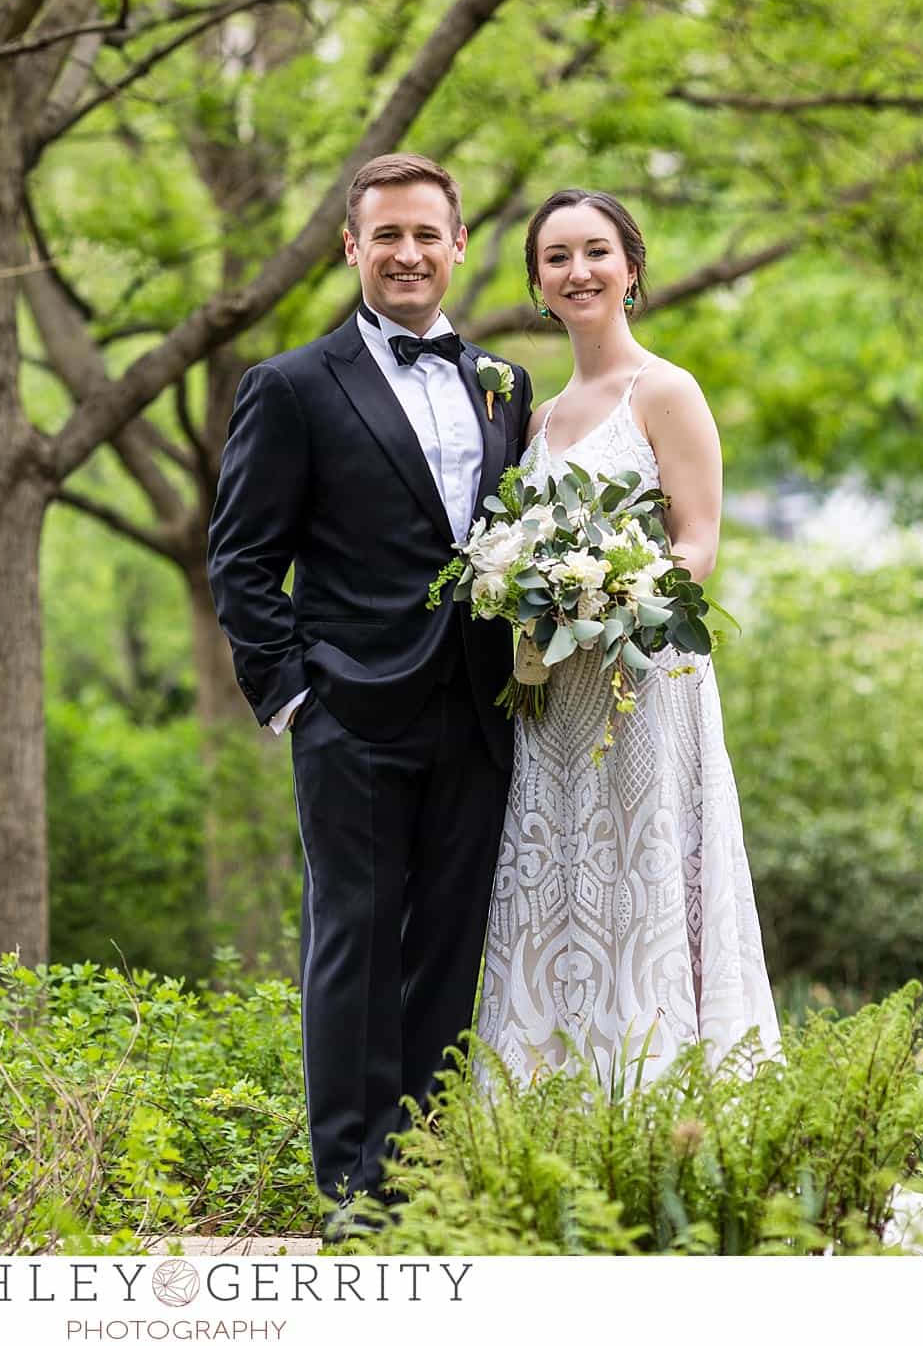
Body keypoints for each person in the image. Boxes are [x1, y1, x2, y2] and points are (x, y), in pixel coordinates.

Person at [206, 153, 532, 1231]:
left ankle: (422, 1169)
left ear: (456, 247)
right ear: (351, 247)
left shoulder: (503, 384)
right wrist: (293, 696)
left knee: (447, 944)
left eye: (425, 235)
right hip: (349, 710)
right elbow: (242, 560)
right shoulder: (291, 386)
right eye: (384, 235)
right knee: (351, 941)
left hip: (478, 708)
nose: (406, 253)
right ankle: (350, 1186)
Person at [474, 188, 780, 1090]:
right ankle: (547, 1110)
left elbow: (698, 545)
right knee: (561, 892)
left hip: (644, 683)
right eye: (558, 257)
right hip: (555, 699)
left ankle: (662, 1104)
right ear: (537, 284)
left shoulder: (667, 391)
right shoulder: (534, 420)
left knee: (641, 888)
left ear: (632, 270)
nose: (580, 272)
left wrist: (617, 597)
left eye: (597, 252)